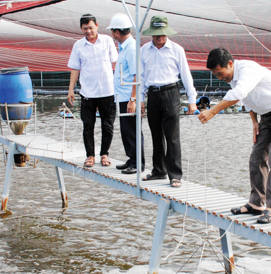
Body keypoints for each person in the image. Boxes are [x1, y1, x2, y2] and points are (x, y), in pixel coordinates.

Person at [198, 47, 271, 224]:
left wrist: (212, 111)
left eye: (220, 73)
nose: (220, 78)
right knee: (256, 157)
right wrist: (254, 121)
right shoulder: (232, 77)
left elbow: (238, 94)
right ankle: (256, 204)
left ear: (230, 64)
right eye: (216, 75)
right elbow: (248, 100)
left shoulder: (248, 69)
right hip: (266, 117)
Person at [140, 15, 197, 187]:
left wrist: (192, 100)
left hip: (171, 93)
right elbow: (141, 76)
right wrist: (139, 99)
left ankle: (175, 174)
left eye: (163, 33)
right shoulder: (144, 50)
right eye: (156, 34)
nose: (160, 37)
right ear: (151, 34)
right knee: (156, 135)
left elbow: (186, 75)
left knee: (172, 136)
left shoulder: (176, 49)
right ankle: (159, 170)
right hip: (153, 94)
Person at [67, 14, 118, 167]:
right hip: (87, 92)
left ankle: (104, 154)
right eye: (85, 29)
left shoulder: (107, 41)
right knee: (88, 125)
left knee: (107, 125)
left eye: (90, 27)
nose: (88, 31)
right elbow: (75, 68)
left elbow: (116, 64)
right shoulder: (78, 46)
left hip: (108, 91)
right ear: (81, 29)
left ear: (97, 25)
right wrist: (71, 89)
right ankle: (90, 155)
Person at [106, 13, 145, 174]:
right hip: (123, 96)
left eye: (112, 32)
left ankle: (138, 163)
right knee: (126, 130)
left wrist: (133, 99)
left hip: (129, 97)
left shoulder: (131, 48)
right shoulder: (125, 48)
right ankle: (132, 158)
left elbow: (137, 75)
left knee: (133, 130)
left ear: (116, 32)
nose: (112, 35)